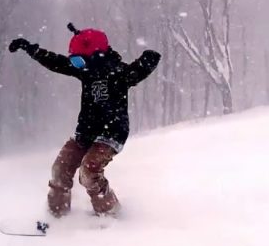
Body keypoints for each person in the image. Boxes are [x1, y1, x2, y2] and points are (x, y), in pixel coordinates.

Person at [8, 24, 160, 217]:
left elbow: (139, 70)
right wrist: (31, 49)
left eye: (79, 61)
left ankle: (110, 213)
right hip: (86, 132)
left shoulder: (119, 74)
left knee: (89, 172)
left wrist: (149, 59)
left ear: (96, 56)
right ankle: (57, 215)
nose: (77, 66)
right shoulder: (86, 71)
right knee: (60, 169)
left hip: (111, 134)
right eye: (75, 62)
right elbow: (57, 62)